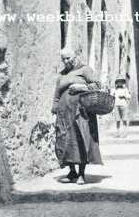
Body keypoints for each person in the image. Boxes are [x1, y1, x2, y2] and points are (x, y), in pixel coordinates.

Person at [51, 48, 102, 185]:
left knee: (80, 140)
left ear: (75, 57)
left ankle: (81, 173)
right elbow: (57, 94)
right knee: (64, 140)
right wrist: (55, 108)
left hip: (81, 113)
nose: (66, 61)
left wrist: (81, 87)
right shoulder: (62, 74)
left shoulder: (85, 70)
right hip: (64, 114)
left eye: (68, 58)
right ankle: (72, 171)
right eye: (63, 59)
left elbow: (98, 85)